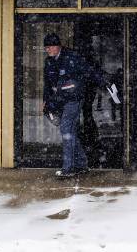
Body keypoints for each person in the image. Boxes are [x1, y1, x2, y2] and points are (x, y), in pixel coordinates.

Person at [42, 32, 105, 179]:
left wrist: (104, 82)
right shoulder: (49, 62)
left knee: (66, 129)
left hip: (74, 99)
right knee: (70, 131)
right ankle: (82, 164)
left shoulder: (72, 57)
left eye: (50, 47)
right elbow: (47, 83)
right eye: (46, 48)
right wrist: (46, 100)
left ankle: (68, 168)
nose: (48, 50)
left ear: (58, 46)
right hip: (60, 100)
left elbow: (89, 71)